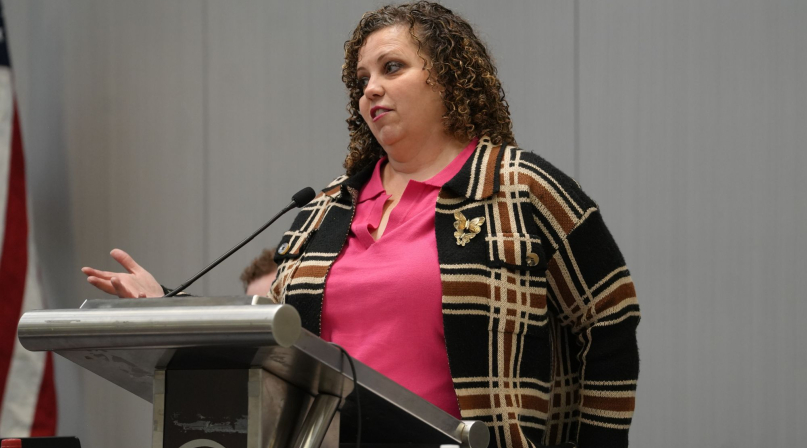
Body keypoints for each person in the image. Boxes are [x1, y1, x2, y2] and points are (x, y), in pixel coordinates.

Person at [82, 2, 640, 447]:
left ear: (447, 78)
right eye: (362, 79)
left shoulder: (518, 188)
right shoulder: (327, 209)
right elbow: (273, 342)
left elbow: (610, 318)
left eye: (392, 68)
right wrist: (167, 309)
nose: (370, 88)